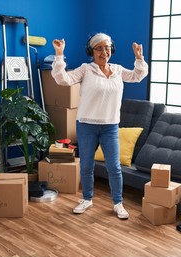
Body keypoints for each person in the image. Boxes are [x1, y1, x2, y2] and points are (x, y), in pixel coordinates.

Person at [51, 33, 148, 219]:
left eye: (107, 47)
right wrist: (59, 54)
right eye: (99, 48)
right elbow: (62, 79)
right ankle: (87, 199)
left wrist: (139, 58)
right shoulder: (86, 69)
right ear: (92, 51)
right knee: (87, 165)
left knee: (114, 167)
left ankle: (118, 203)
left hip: (110, 126)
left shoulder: (118, 70)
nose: (104, 51)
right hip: (86, 124)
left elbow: (138, 75)